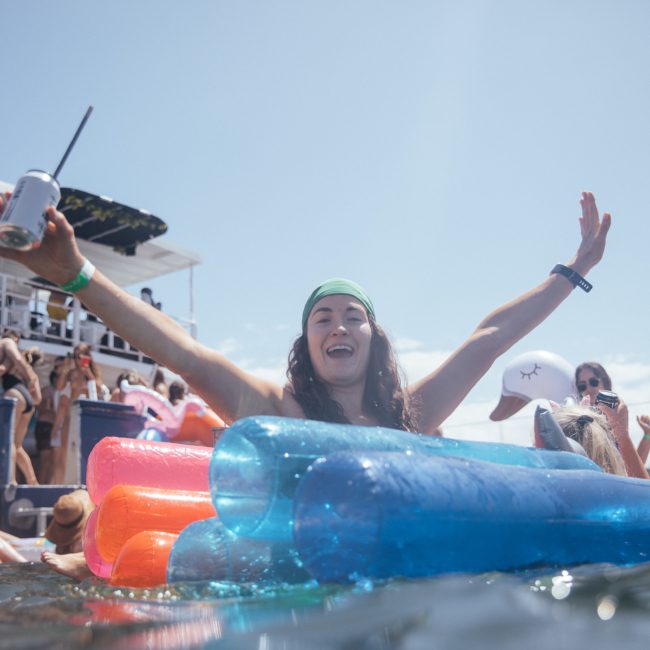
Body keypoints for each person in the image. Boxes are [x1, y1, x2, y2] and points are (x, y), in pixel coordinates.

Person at [0, 191, 610, 439]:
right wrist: (75, 273)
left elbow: (489, 339)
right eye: (323, 317)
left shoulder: (408, 416)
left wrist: (572, 270)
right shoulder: (272, 407)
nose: (339, 325)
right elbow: (179, 353)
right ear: (306, 340)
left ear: (376, 339)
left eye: (353, 316)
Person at [554, 401, 649, 479]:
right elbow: (642, 491)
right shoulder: (619, 492)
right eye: (581, 386)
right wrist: (623, 435)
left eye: (593, 382)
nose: (588, 389)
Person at [50, 344, 103, 484]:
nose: (77, 359)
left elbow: (98, 389)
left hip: (87, 416)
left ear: (87, 356)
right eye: (75, 356)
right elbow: (59, 387)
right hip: (71, 415)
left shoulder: (93, 373)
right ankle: (63, 484)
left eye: (80, 356)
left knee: (85, 451)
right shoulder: (70, 373)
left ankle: (84, 482)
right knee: (65, 452)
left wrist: (88, 373)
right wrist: (65, 368)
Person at [0, 332, 41, 484]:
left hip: (14, 393)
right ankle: (32, 481)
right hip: (27, 400)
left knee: (8, 441)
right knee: (17, 446)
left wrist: (29, 380)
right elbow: (37, 399)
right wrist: (30, 382)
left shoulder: (6, 342)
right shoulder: (19, 366)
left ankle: (10, 480)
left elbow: (17, 359)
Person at [34, 370, 58, 484]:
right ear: (54, 379)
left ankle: (45, 486)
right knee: (45, 461)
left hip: (49, 427)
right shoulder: (48, 391)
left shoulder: (55, 391)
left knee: (51, 462)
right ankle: (40, 486)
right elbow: (41, 409)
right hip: (45, 426)